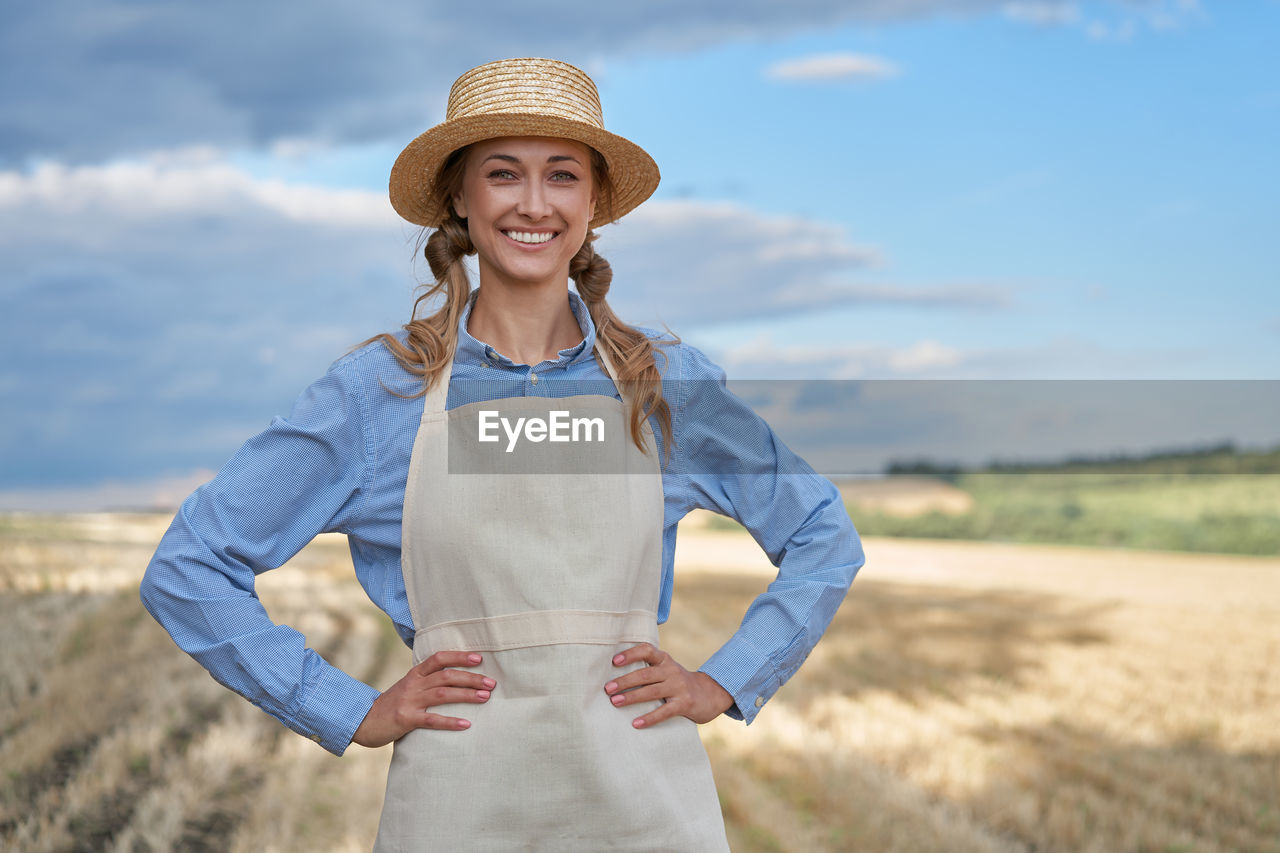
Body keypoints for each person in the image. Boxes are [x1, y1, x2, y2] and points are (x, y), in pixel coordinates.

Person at [140, 57, 864, 851]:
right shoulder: (377, 396)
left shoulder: (665, 387)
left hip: (646, 809)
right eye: (502, 173)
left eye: (561, 175)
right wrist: (348, 708)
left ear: (594, 202)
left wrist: (721, 680)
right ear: (459, 195)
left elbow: (823, 534)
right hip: (458, 812)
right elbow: (191, 563)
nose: (533, 203)